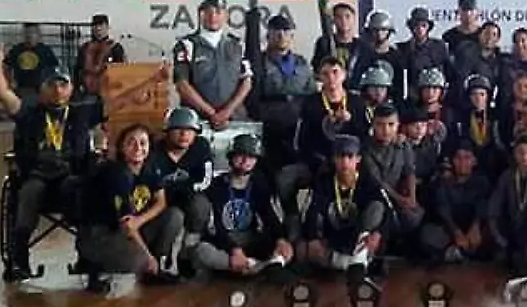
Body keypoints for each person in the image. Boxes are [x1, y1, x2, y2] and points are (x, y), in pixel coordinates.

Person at [0, 48, 103, 281]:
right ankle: (20, 261)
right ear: (41, 89)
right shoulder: (29, 113)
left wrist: (154, 81)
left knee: (84, 193)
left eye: (63, 85)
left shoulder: (82, 114)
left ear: (71, 88)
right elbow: (4, 94)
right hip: (37, 177)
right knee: (29, 193)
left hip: (70, 178)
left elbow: (118, 101)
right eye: (51, 85)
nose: (57, 90)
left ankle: (88, 258)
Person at [77, 124, 183, 282]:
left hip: (130, 229)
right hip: (102, 235)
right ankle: (94, 266)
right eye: (131, 142)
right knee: (139, 261)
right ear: (121, 147)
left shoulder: (150, 169)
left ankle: (156, 266)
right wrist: (147, 257)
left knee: (174, 216)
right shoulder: (117, 175)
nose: (138, 148)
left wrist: (140, 220)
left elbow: (161, 202)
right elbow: (127, 225)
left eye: (143, 143)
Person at [277, 56, 367, 238]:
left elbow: (366, 139)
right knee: (285, 177)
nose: (331, 78)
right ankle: (293, 220)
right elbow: (301, 142)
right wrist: (318, 159)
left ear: (344, 75)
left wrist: (351, 122)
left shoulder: (357, 102)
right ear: (319, 77)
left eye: (335, 72)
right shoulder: (311, 103)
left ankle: (361, 227)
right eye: (325, 74)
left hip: (351, 164)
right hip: (318, 162)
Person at [194, 133, 293, 279]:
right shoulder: (217, 185)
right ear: (231, 157)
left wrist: (281, 239)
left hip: (250, 239)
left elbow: (270, 217)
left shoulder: (259, 184)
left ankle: (252, 266)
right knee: (202, 250)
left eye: (251, 157)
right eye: (240, 155)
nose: (245, 161)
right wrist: (233, 249)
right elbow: (215, 227)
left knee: (285, 247)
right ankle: (258, 268)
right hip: (225, 241)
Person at [302, 135, 388, 279]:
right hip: (333, 237)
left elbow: (387, 212)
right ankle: (356, 264)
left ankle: (357, 262)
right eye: (340, 157)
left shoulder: (369, 181)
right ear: (333, 159)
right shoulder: (324, 182)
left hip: (360, 236)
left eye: (350, 157)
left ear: (358, 159)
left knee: (377, 207)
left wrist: (378, 234)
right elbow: (312, 211)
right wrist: (313, 238)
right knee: (305, 250)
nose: (345, 162)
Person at [173, 0, 253, 128]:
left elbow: (247, 82)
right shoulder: (187, 45)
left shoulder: (237, 45)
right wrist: (212, 113)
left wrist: (227, 112)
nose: (213, 16)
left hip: (234, 119)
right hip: (196, 122)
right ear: (200, 15)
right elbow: (182, 85)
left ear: (226, 16)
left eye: (218, 12)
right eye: (208, 12)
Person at [148, 107, 214, 259]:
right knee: (174, 216)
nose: (184, 134)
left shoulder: (201, 146)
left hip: (190, 195)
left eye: (190, 130)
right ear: (168, 131)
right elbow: (151, 184)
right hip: (161, 201)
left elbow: (206, 179)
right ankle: (161, 257)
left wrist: (185, 189)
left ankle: (188, 250)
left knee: (200, 205)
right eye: (178, 129)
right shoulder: (155, 152)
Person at [255, 14, 317, 170]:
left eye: (285, 31)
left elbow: (312, 94)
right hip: (269, 126)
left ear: (292, 36)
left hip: (297, 126)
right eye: (276, 31)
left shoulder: (302, 62)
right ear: (268, 35)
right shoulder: (258, 61)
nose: (281, 35)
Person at [360, 105, 423, 251]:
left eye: (391, 124)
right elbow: (378, 181)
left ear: (398, 125)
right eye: (380, 124)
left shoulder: (403, 144)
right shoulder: (365, 148)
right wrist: (400, 200)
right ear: (373, 125)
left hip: (398, 193)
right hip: (375, 197)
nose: (386, 130)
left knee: (415, 215)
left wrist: (412, 197)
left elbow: (410, 171)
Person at [421, 142, 495, 264]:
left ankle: (461, 253)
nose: (462, 162)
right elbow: (443, 209)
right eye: (458, 158)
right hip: (450, 230)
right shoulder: (443, 182)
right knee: (428, 234)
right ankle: (459, 252)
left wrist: (476, 226)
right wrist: (456, 232)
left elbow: (484, 205)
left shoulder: (482, 181)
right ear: (453, 161)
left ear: (474, 161)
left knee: (492, 232)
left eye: (467, 158)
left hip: (474, 230)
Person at [488, 136, 527, 270]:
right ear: (515, 154)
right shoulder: (506, 177)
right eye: (521, 152)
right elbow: (494, 209)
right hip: (510, 231)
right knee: (499, 257)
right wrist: (498, 237)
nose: (525, 157)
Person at [355, 10, 407, 102]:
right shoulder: (363, 54)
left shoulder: (397, 56)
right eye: (375, 30)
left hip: (391, 103)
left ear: (389, 32)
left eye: (383, 30)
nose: (379, 33)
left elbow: (400, 86)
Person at [399, 6, 451, 94]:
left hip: (435, 94)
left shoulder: (439, 46)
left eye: (423, 25)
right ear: (411, 27)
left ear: (428, 27)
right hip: (414, 96)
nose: (420, 29)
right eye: (416, 25)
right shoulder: (403, 48)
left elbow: (448, 72)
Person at [73, 14, 126, 97]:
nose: (98, 28)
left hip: (109, 92)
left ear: (107, 27)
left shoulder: (116, 47)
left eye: (101, 25)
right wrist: (77, 89)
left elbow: (121, 71)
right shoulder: (85, 47)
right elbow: (77, 69)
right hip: (87, 92)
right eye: (95, 25)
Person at [6, 23, 61, 97]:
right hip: (21, 88)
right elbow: (7, 67)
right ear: (23, 34)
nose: (29, 35)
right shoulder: (16, 50)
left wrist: (50, 84)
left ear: (38, 35)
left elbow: (55, 68)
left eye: (33, 32)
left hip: (42, 89)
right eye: (27, 33)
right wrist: (10, 81)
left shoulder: (45, 50)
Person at [312, 2, 365, 77]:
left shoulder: (363, 47)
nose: (343, 20)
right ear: (333, 20)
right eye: (338, 17)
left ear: (354, 19)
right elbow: (317, 69)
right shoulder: (324, 43)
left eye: (347, 16)